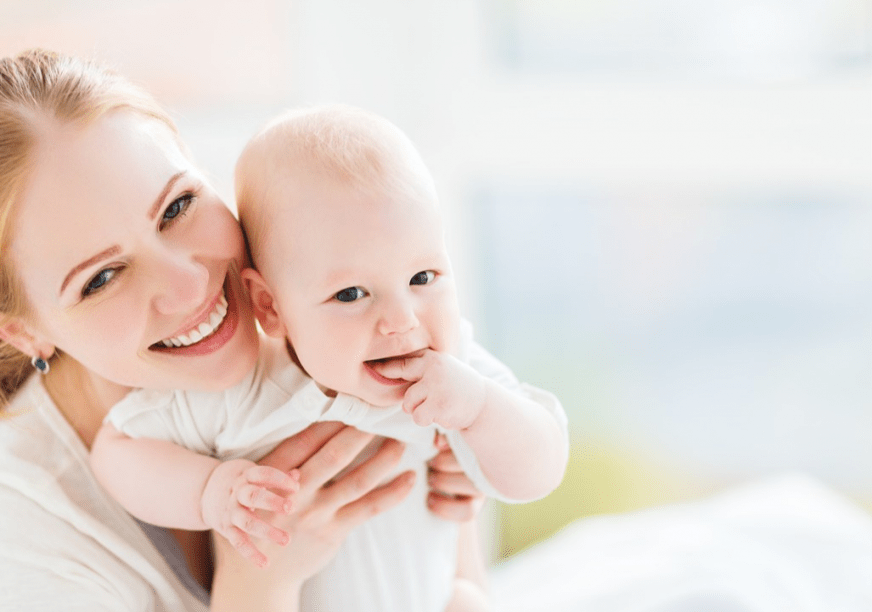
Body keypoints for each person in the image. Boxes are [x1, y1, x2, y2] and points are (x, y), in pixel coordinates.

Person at [0, 50, 487, 611]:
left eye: (177, 208)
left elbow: (458, 582)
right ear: (22, 332)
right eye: (101, 278)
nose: (189, 285)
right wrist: (259, 581)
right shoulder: (4, 537)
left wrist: (458, 480)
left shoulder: (326, 320)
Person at [89, 105, 570, 612]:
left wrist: (482, 412)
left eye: (423, 278)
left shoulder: (459, 377)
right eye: (351, 294)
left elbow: (541, 469)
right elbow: (117, 450)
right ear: (270, 306)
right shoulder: (245, 390)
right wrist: (210, 492)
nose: (402, 320)